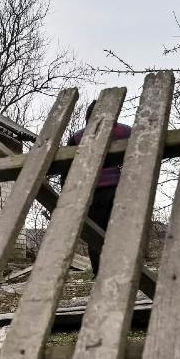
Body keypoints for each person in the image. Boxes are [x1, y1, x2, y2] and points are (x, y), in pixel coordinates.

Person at [66, 101, 132, 276]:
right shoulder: (125, 131)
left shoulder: (78, 137)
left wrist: (69, 193)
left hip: (95, 192)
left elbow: (66, 168)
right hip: (115, 190)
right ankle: (116, 273)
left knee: (96, 237)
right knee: (115, 233)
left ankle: (101, 274)